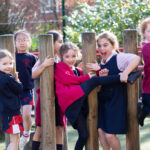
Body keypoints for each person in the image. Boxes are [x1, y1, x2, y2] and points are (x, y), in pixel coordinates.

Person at [54, 42, 130, 150]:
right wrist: (87, 77)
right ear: (61, 57)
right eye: (67, 57)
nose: (71, 59)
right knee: (93, 80)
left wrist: (98, 70)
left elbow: (91, 76)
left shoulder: (75, 70)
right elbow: (69, 80)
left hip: (77, 102)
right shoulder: (60, 67)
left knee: (84, 135)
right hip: (69, 99)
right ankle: (121, 77)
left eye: (73, 56)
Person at [86, 31, 141, 150]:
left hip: (116, 101)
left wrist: (125, 73)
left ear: (113, 46)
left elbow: (136, 58)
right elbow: (101, 85)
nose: (101, 48)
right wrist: (100, 72)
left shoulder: (118, 57)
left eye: (105, 45)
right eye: (99, 46)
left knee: (110, 135)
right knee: (100, 131)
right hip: (104, 101)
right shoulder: (101, 63)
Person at [32, 30, 66, 150]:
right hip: (45, 98)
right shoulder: (43, 58)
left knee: (59, 127)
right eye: (59, 42)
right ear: (52, 43)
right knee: (40, 128)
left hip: (59, 97)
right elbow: (33, 74)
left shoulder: (60, 58)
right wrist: (44, 65)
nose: (62, 44)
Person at [14, 30, 38, 150]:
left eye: (24, 40)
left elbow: (38, 70)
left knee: (27, 114)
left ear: (29, 42)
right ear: (15, 43)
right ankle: (16, 137)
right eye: (19, 40)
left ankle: (27, 133)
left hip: (27, 90)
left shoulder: (32, 57)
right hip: (13, 91)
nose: (21, 42)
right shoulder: (11, 57)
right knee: (15, 116)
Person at [0, 49, 24, 150]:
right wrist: (17, 80)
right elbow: (19, 88)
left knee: (15, 138)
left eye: (10, 63)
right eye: (4, 63)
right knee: (15, 140)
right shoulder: (8, 78)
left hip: (6, 113)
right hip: (12, 114)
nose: (8, 66)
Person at [138, 17, 150, 126]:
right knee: (148, 103)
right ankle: (142, 109)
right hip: (148, 84)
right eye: (149, 31)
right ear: (144, 33)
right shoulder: (146, 47)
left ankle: (143, 108)